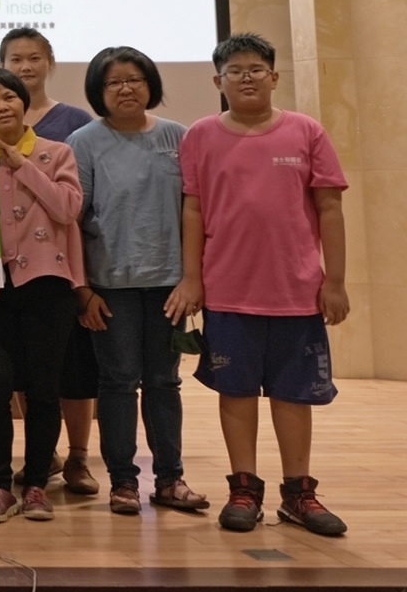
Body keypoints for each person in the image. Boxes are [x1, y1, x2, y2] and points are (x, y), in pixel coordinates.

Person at [166, 33, 349, 537]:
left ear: (273, 76)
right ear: (217, 81)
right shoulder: (200, 135)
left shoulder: (306, 131)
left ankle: (299, 494)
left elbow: (330, 208)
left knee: (294, 395)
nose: (246, 78)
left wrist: (334, 280)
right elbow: (193, 210)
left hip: (297, 292)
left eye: (255, 69)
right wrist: (192, 278)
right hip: (228, 291)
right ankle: (243, 489)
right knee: (237, 392)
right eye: (235, 71)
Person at [67, 46, 207, 517]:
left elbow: (196, 212)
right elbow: (72, 220)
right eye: (113, 82)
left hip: (170, 284)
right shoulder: (84, 141)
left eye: (135, 79)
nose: (125, 89)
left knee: (165, 381)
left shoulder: (178, 137)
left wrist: (192, 279)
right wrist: (82, 290)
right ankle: (123, 482)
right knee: (119, 382)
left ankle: (170, 479)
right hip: (110, 286)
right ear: (98, 91)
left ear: (150, 85)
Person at [0, 27, 99, 496]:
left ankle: (39, 484)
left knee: (45, 388)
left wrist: (21, 164)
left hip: (48, 285)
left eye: (9, 97)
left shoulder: (56, 151)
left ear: (24, 103)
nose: (1, 106)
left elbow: (67, 209)